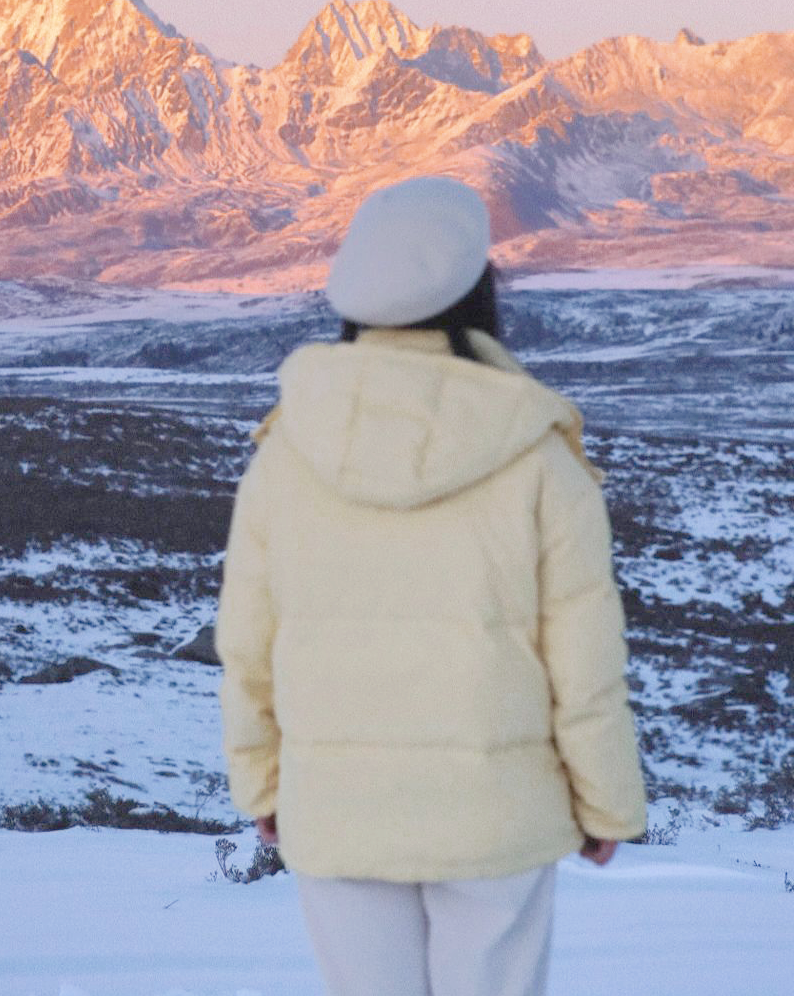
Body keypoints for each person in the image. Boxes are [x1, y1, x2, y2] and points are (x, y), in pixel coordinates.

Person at [215, 176, 646, 996]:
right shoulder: (540, 454)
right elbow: (585, 662)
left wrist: (263, 786)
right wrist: (605, 803)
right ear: (478, 292)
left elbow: (248, 650)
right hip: (498, 812)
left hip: (338, 811)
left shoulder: (286, 452)